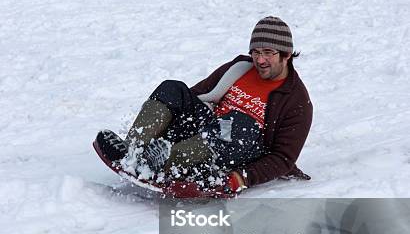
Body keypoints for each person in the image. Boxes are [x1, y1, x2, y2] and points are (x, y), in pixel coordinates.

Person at [96, 16, 313, 195]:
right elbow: (193, 97)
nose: (260, 60)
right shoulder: (240, 68)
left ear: (286, 55)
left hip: (241, 149)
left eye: (268, 53)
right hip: (205, 137)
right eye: (256, 52)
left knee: (237, 122)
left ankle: (164, 165)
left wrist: (237, 179)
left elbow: (283, 158)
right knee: (173, 88)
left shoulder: (296, 100)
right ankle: (134, 151)